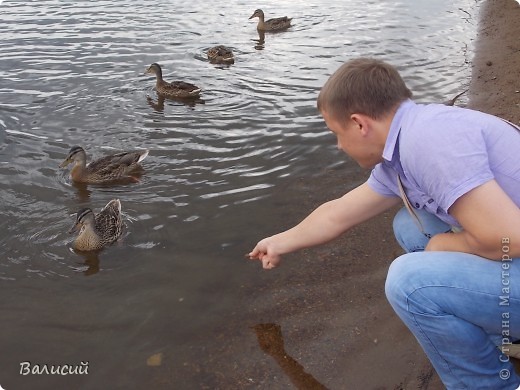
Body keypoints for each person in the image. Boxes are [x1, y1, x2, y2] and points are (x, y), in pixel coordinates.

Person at [247, 57, 520, 389]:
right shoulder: (409, 141)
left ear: (360, 124)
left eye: (336, 133)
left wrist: (444, 245)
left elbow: (510, 239)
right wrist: (279, 241)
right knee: (410, 224)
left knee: (410, 283)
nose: (338, 145)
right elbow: (338, 212)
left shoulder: (429, 142)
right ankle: (497, 332)